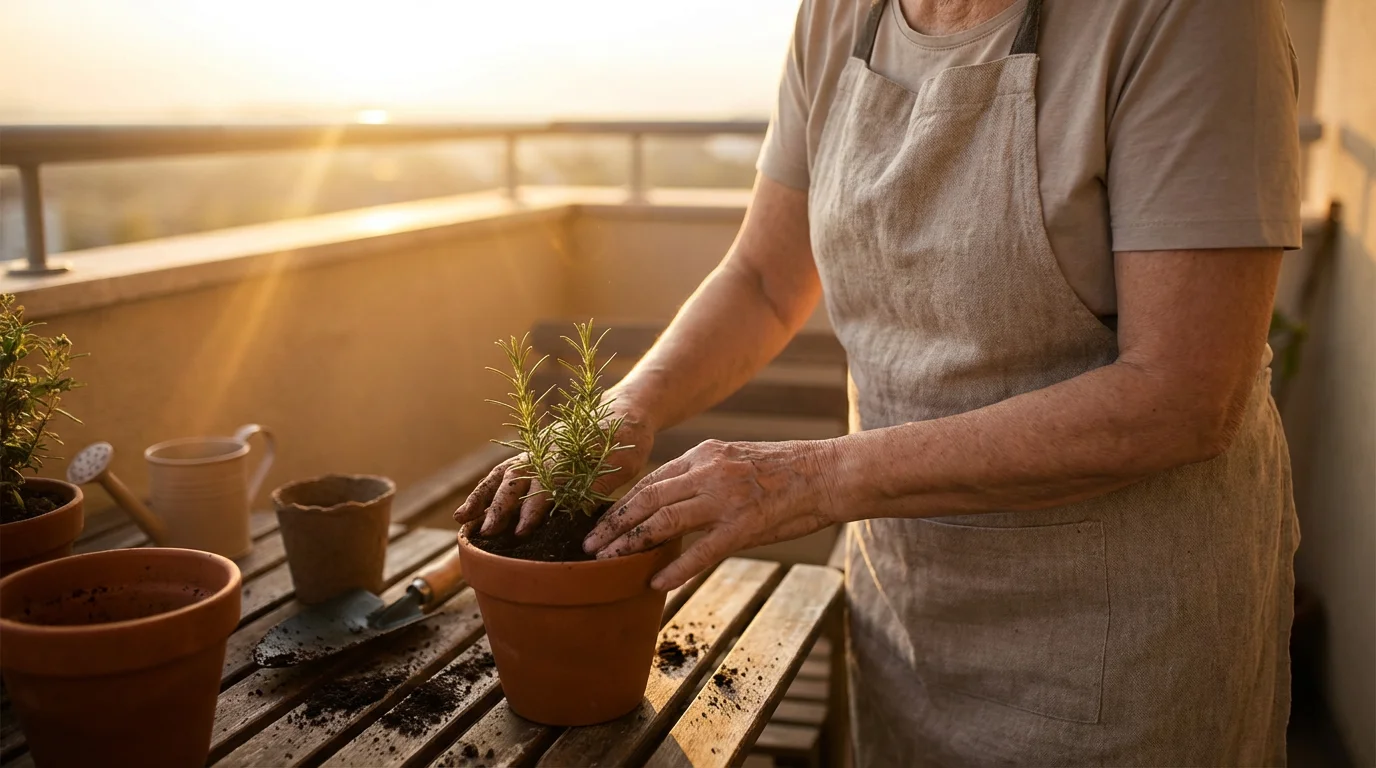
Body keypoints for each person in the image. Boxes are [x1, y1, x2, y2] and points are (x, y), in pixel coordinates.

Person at [457, 0, 1303, 763]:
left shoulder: (1190, 18)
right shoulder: (837, 13)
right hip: (908, 606)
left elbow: (1185, 396)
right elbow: (762, 277)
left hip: (1121, 643)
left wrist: (812, 478)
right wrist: (627, 407)